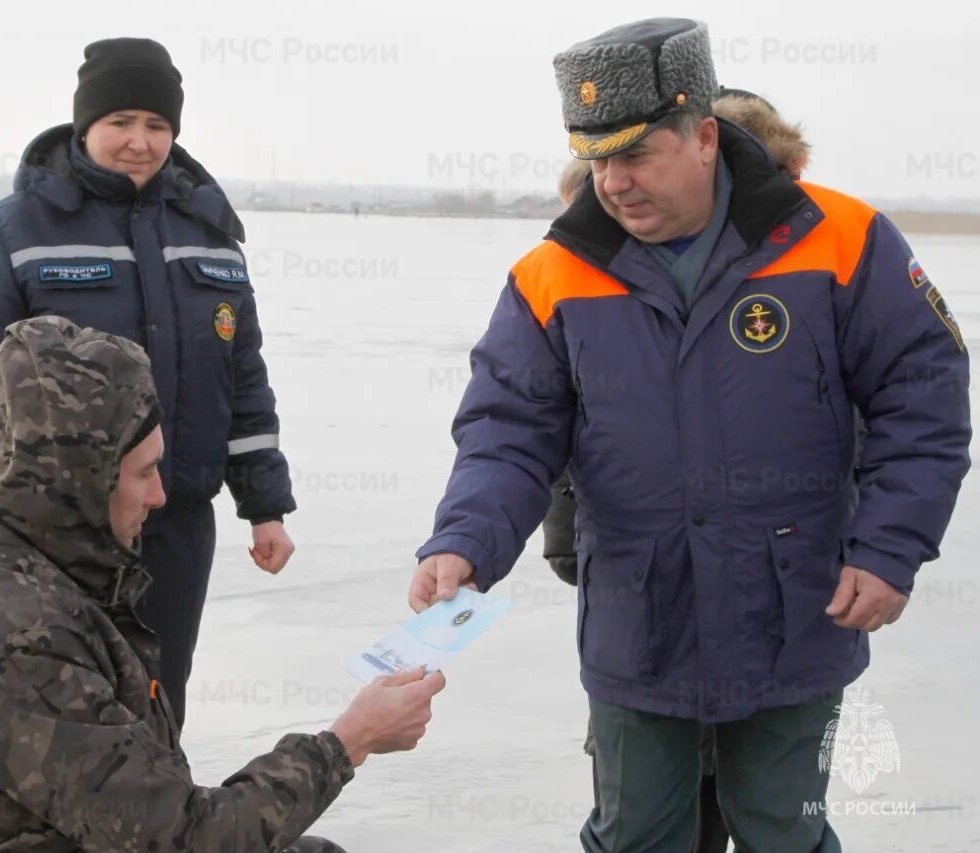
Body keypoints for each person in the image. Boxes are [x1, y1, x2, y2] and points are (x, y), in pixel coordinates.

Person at [410, 17, 970, 852]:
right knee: (635, 833)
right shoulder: (550, 274)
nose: (613, 183)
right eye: (597, 159)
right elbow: (508, 431)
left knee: (786, 831)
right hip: (641, 617)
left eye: (635, 155)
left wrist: (890, 549)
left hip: (798, 607)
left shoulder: (842, 239)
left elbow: (922, 400)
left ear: (705, 137)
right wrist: (464, 542)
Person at [0, 316, 446, 852]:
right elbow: (179, 841)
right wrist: (348, 742)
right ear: (79, 480)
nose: (160, 495)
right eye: (144, 472)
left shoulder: (21, 540)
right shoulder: (13, 631)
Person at [0, 38, 295, 731]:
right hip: (54, 532)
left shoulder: (210, 237)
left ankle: (159, 833)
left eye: (157, 126)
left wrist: (265, 503)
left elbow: (241, 378)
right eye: (121, 121)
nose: (139, 142)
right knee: (56, 713)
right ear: (84, 126)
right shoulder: (11, 232)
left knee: (156, 706)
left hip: (176, 526)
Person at [545, 86, 813, 853]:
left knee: (770, 813)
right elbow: (541, 422)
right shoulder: (576, 267)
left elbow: (873, 423)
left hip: (779, 604)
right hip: (642, 609)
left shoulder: (820, 262)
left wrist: (874, 550)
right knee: (648, 814)